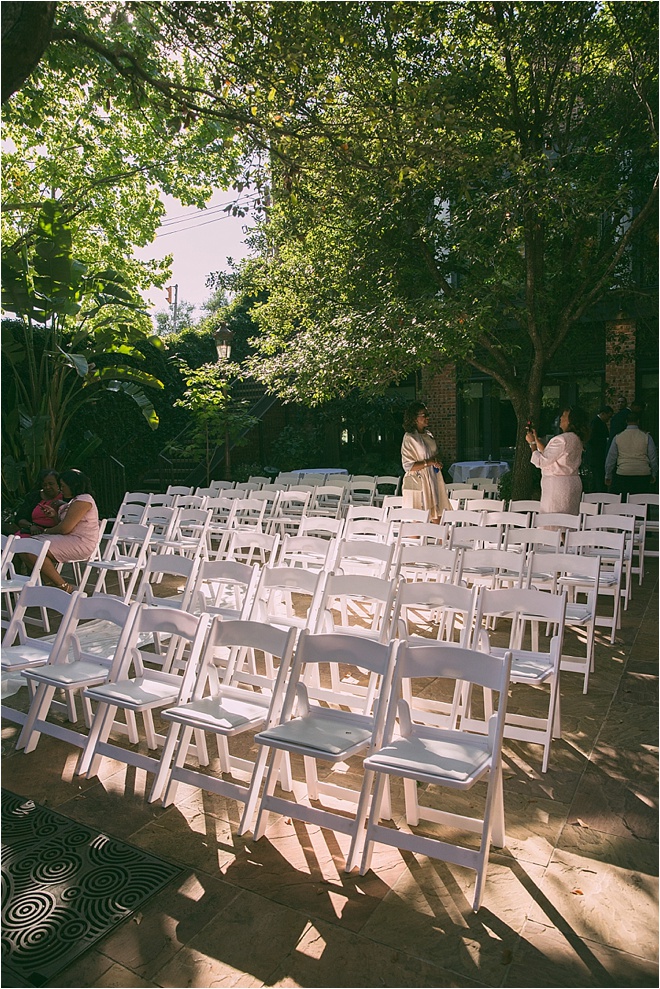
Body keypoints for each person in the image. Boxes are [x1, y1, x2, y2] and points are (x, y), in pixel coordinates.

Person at [20, 468, 100, 592]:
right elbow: (64, 525)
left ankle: (64, 587)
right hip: (69, 538)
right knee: (24, 547)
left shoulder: (83, 500)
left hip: (81, 542)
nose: (61, 489)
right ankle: (49, 583)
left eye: (63, 486)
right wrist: (54, 516)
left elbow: (64, 528)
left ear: (73, 485)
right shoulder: (75, 501)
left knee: (33, 550)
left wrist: (45, 532)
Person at [526, 407, 588, 515]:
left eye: (564, 416)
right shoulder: (576, 438)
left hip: (557, 487)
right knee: (568, 522)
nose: (561, 418)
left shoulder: (561, 439)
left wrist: (532, 444)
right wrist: (536, 438)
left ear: (570, 420)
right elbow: (550, 455)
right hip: (571, 483)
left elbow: (542, 461)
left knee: (553, 521)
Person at [401, 402, 451, 522]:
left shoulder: (428, 435)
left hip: (433, 478)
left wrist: (437, 461)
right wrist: (429, 462)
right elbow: (408, 465)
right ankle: (414, 540)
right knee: (417, 520)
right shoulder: (410, 437)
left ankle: (443, 540)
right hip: (418, 479)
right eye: (424, 415)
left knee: (438, 516)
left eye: (427, 414)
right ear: (414, 418)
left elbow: (434, 454)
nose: (427, 417)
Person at [605, 407, 658, 497]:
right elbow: (653, 457)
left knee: (625, 503)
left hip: (623, 473)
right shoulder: (646, 437)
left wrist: (608, 475)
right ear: (638, 421)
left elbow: (611, 459)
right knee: (642, 502)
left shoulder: (618, 437)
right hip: (643, 473)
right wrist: (654, 473)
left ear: (626, 421)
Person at [13, 469, 64, 536]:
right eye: (44, 485)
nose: (47, 487)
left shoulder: (65, 497)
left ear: (58, 484)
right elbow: (19, 518)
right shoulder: (33, 497)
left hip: (54, 534)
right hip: (32, 532)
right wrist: (31, 526)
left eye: (51, 484)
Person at [583, 405, 613, 493]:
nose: (609, 419)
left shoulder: (598, 422)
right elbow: (591, 439)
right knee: (597, 479)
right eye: (608, 416)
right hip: (596, 456)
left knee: (597, 479)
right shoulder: (595, 423)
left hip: (597, 455)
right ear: (603, 414)